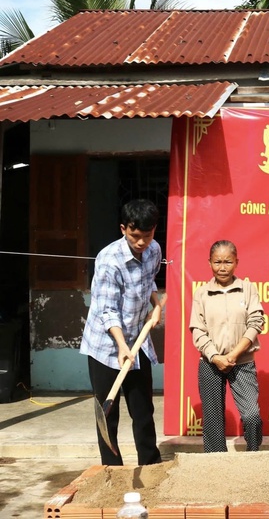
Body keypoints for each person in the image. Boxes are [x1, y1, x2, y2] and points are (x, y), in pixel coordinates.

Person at [80, 199, 163, 466]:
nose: (141, 242)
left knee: (143, 410)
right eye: (135, 236)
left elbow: (149, 281)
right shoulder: (109, 260)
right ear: (123, 228)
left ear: (154, 230)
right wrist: (121, 346)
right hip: (106, 346)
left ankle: (150, 465)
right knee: (108, 414)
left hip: (137, 340)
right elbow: (107, 311)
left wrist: (157, 305)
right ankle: (112, 471)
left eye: (147, 236)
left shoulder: (153, 251)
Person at [190, 240, 265, 452]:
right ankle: (216, 468)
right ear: (209, 263)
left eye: (228, 262)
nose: (222, 267)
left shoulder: (248, 289)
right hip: (210, 363)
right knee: (213, 422)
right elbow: (197, 330)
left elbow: (256, 322)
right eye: (217, 262)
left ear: (236, 262)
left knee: (252, 416)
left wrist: (234, 354)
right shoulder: (202, 293)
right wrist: (215, 357)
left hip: (242, 362)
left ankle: (254, 457)